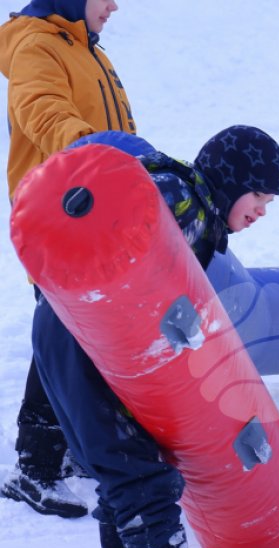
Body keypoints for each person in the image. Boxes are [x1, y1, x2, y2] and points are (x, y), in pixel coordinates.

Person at [30, 125, 279, 548]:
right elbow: (109, 215)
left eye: (269, 202)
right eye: (258, 194)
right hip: (84, 333)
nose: (261, 210)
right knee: (133, 463)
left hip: (82, 332)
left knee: (120, 459)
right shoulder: (178, 194)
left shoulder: (198, 211)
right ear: (231, 178)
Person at [0, 0, 134, 519]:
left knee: (89, 332)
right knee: (65, 333)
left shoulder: (87, 51)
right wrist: (98, 149)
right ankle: (35, 466)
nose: (114, 5)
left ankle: (77, 446)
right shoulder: (37, 44)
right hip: (56, 215)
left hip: (92, 209)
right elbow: (43, 111)